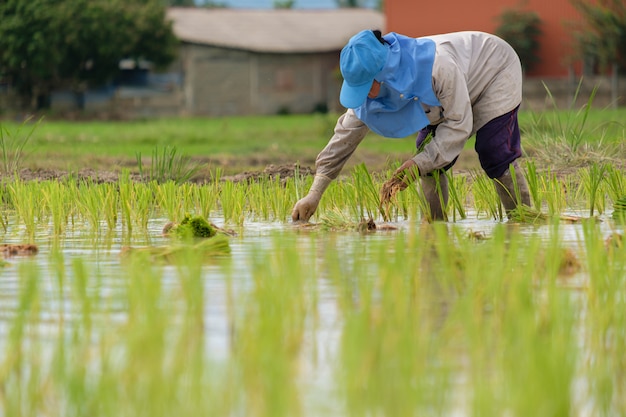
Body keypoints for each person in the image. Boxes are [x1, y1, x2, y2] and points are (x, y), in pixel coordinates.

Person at [291, 29, 530, 222]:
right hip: (449, 95)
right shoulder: (372, 91)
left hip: (493, 70)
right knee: (428, 158)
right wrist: (314, 194)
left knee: (493, 150)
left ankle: (524, 220)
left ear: (381, 74)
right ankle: (436, 227)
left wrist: (418, 164)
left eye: (365, 86)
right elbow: (344, 137)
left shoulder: (437, 67)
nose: (363, 95)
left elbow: (459, 123)